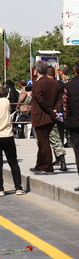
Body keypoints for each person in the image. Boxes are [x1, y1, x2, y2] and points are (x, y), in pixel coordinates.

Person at [30, 61, 60, 175]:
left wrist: (50, 110)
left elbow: (40, 99)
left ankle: (48, 167)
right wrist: (55, 109)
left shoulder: (38, 83)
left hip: (42, 116)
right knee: (42, 142)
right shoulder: (54, 83)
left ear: (36, 70)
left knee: (44, 142)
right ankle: (40, 164)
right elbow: (60, 97)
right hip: (50, 116)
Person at [46, 66, 67, 171]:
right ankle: (59, 159)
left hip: (51, 114)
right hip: (60, 113)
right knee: (59, 137)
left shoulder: (48, 84)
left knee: (55, 138)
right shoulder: (60, 84)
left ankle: (62, 161)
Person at [62, 61, 79, 192]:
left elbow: (65, 105)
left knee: (78, 153)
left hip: (74, 124)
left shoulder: (69, 86)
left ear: (75, 70)